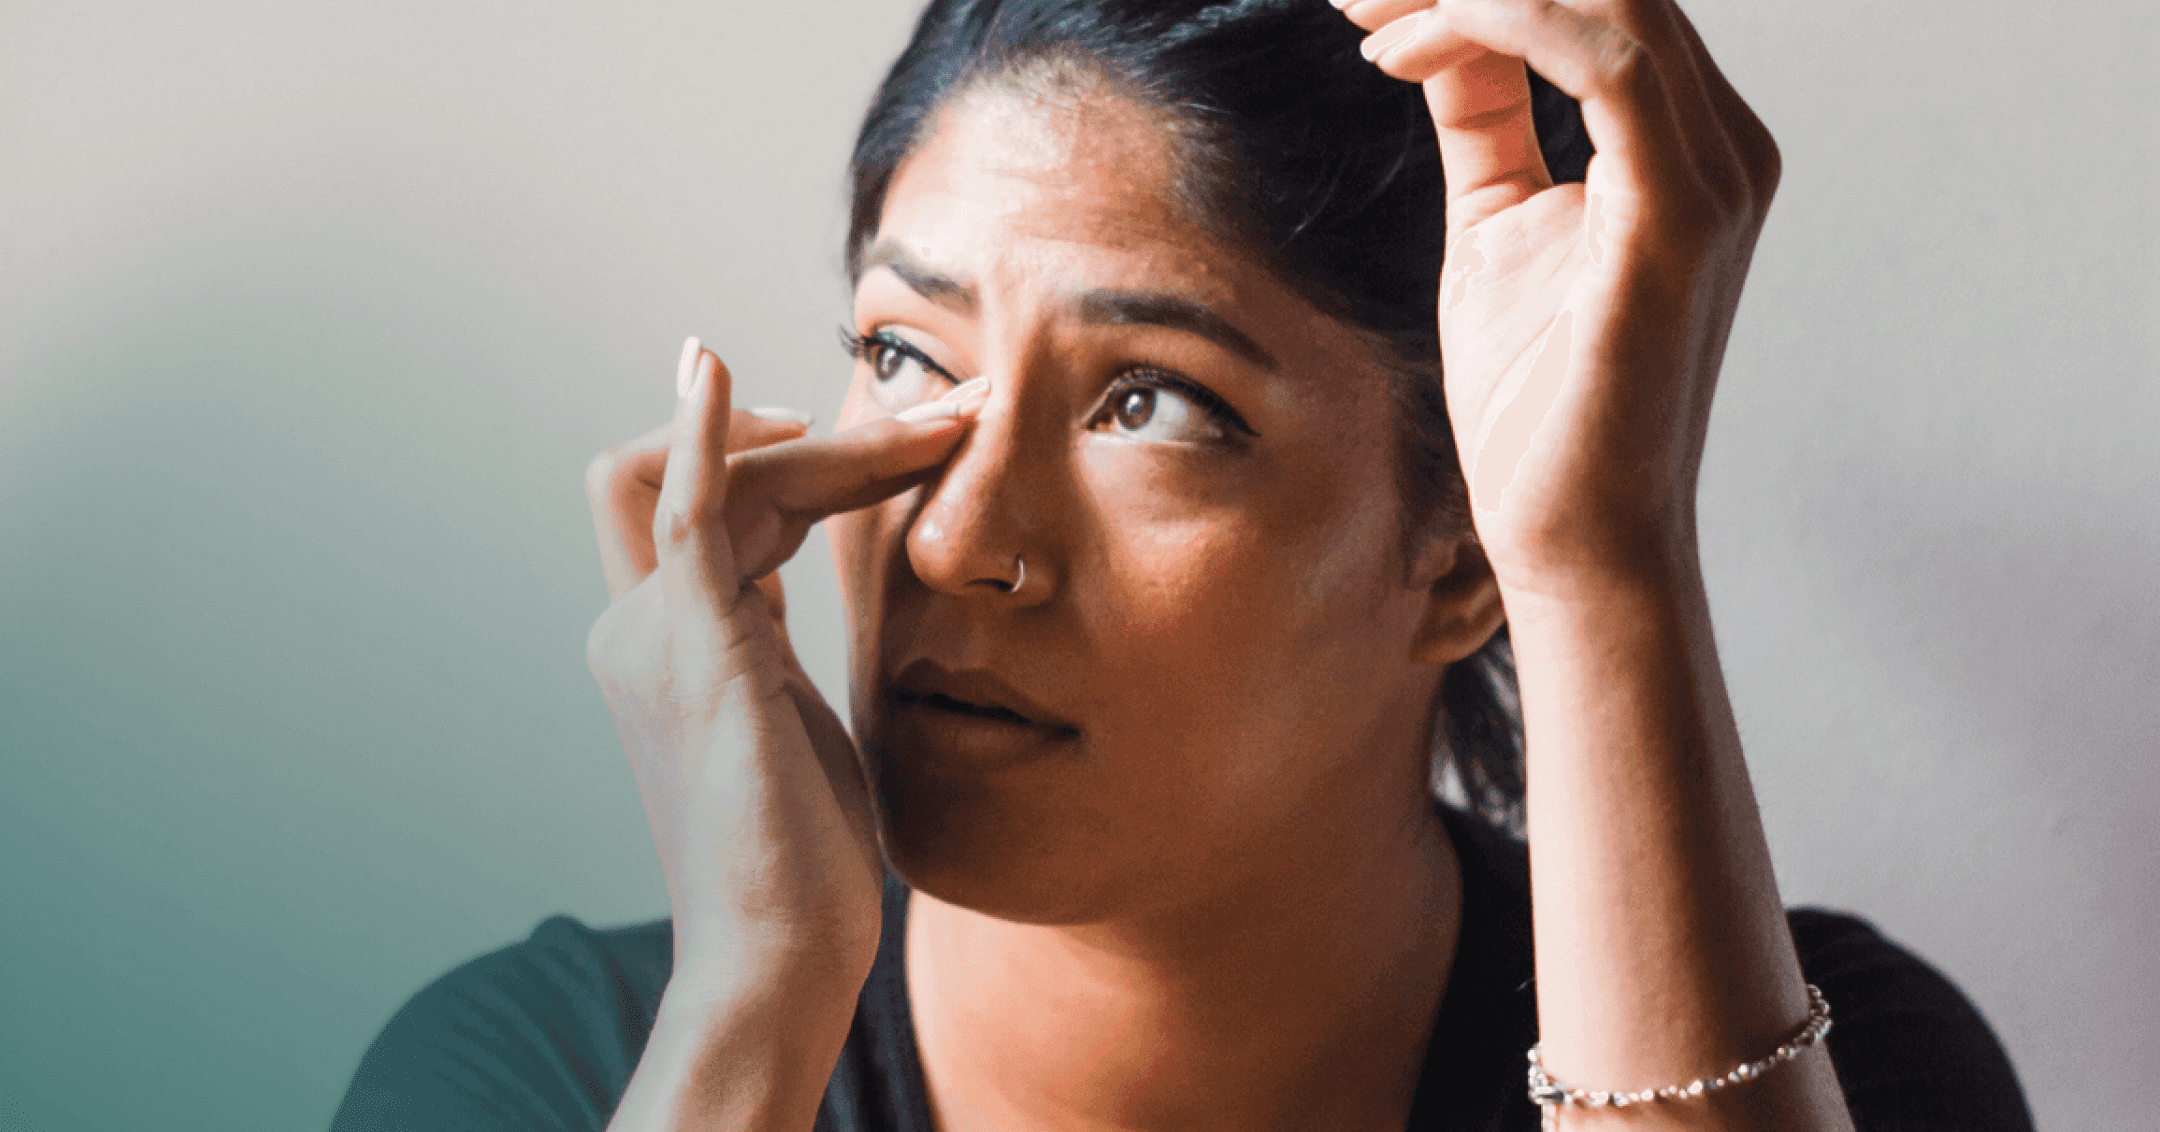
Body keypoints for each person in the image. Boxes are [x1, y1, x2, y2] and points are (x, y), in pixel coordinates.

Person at [332, 1, 2034, 1129]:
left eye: (1152, 403)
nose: (953, 537)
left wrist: (1605, 560)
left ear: (1458, 551)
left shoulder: (1836, 1067)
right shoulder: (544, 1079)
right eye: (907, 356)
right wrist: (759, 1011)